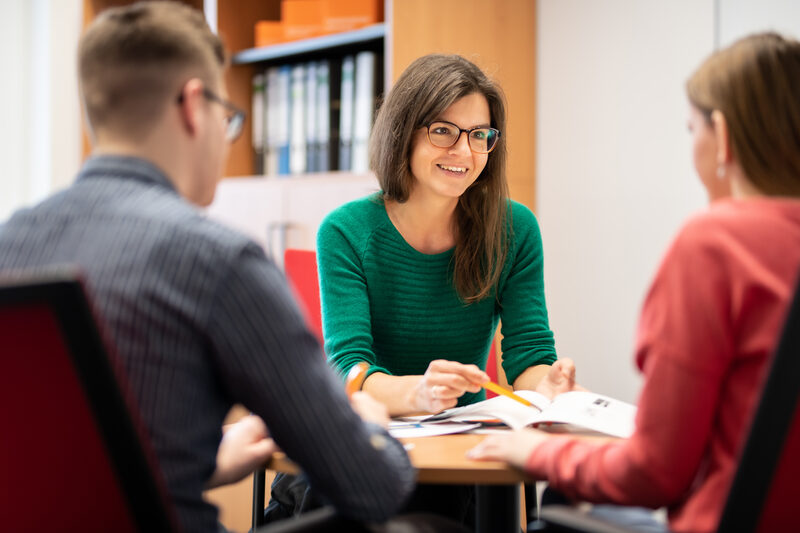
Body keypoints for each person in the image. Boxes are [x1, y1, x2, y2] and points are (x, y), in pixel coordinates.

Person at [0, 3, 415, 532]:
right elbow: (371, 486)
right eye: (228, 116)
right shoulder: (216, 262)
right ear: (194, 106)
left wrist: (207, 461)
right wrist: (374, 428)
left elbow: (60, 462)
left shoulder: (8, 244)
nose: (227, 135)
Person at [467, 32, 800, 533]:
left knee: (556, 502)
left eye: (692, 130)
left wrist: (544, 452)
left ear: (724, 137)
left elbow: (655, 474)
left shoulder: (716, 245)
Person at [313, 53, 578, 525]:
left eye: (480, 135)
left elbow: (528, 357)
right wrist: (420, 393)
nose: (464, 151)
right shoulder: (347, 231)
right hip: (369, 447)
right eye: (443, 131)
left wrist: (550, 386)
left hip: (463, 450)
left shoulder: (515, 228)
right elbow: (347, 371)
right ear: (403, 132)